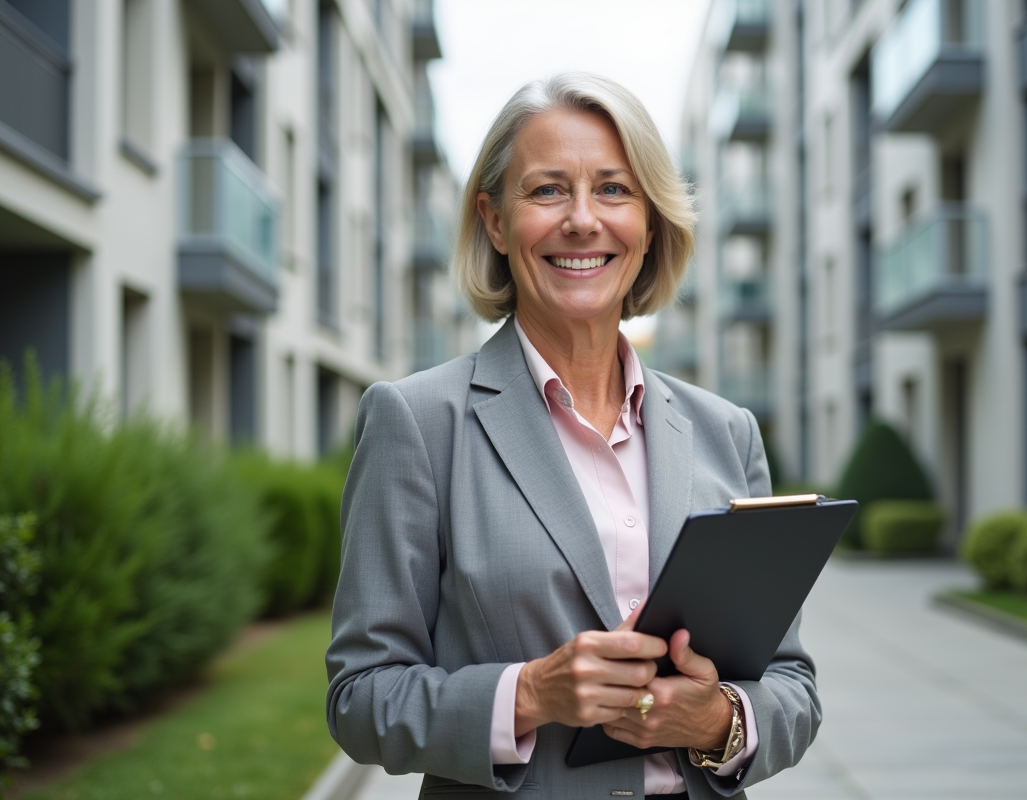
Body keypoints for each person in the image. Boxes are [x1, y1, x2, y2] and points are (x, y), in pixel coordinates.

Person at [326, 72, 820, 799]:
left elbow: (792, 684)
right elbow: (360, 698)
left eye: (614, 190)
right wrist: (528, 694)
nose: (583, 220)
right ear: (494, 221)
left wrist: (719, 719)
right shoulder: (418, 422)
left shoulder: (728, 432)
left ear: (650, 224)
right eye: (548, 190)